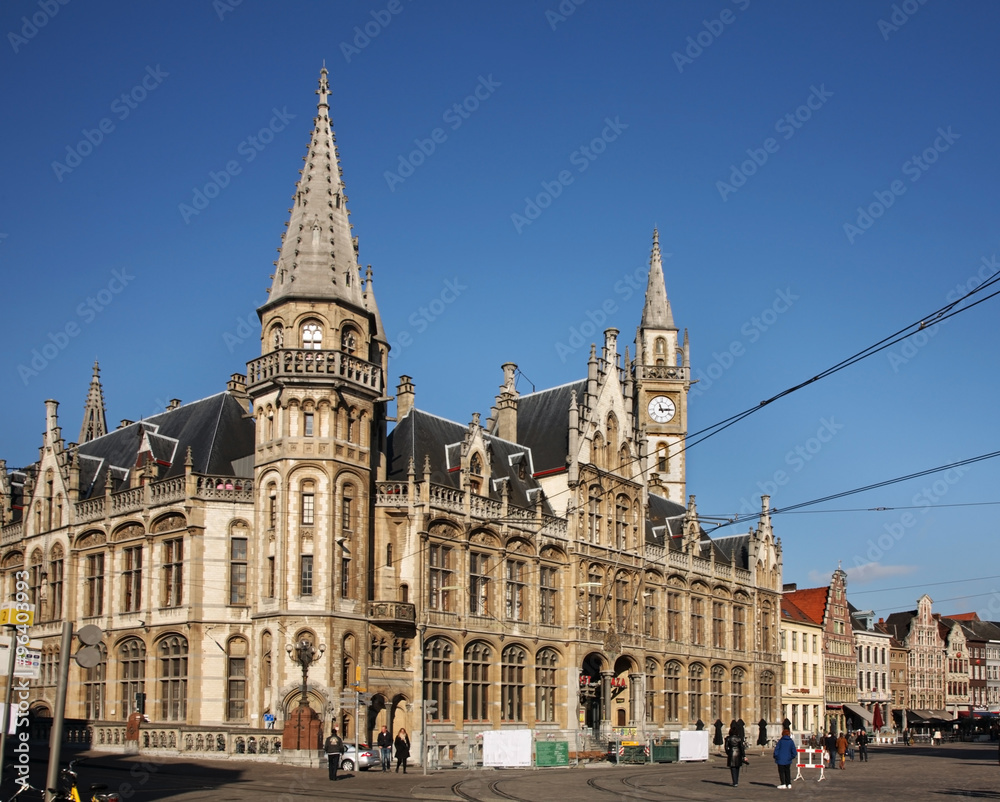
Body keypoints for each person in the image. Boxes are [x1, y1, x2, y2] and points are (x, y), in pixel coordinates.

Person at [724, 721, 747, 787]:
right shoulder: (739, 738)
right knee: (737, 768)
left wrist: (728, 753)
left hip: (731, 754)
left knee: (733, 769)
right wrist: (744, 756)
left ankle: (734, 782)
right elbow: (742, 748)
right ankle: (736, 781)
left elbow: (726, 747)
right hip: (738, 754)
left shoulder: (728, 738)